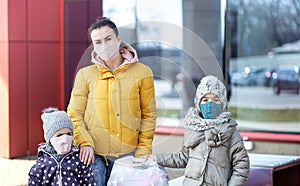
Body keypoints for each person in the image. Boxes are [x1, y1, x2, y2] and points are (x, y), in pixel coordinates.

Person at [67, 17, 157, 185]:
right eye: (98, 42)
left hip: (128, 155)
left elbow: (148, 115)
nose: (104, 45)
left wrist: (143, 150)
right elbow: (74, 113)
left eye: (108, 39)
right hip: (93, 155)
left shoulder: (143, 72)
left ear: (118, 39)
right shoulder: (85, 75)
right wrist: (84, 142)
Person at [154, 75, 250, 185]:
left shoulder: (229, 130)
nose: (210, 104)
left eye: (215, 99)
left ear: (222, 103)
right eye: (205, 99)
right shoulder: (192, 128)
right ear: (198, 103)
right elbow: (183, 158)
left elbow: (242, 165)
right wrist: (156, 158)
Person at [28, 107, 96, 185]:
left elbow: (88, 181)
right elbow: (34, 180)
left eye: (69, 134)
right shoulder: (43, 163)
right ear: (50, 139)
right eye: (59, 135)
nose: (65, 139)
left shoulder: (78, 160)